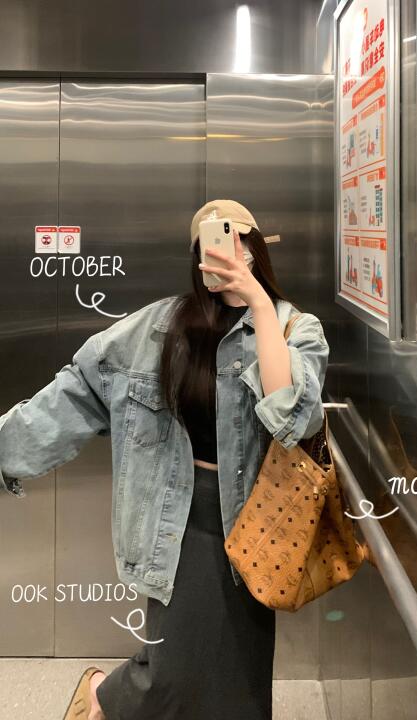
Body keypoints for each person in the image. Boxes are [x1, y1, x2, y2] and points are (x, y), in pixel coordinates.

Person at [0, 199, 330, 720]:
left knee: (239, 680)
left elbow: (294, 416)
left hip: (256, 522)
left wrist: (260, 305)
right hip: (175, 518)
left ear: (255, 249)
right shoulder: (156, 328)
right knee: (173, 674)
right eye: (209, 246)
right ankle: (103, 696)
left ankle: (102, 696)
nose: (223, 254)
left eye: (235, 240)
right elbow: (76, 391)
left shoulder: (295, 328)